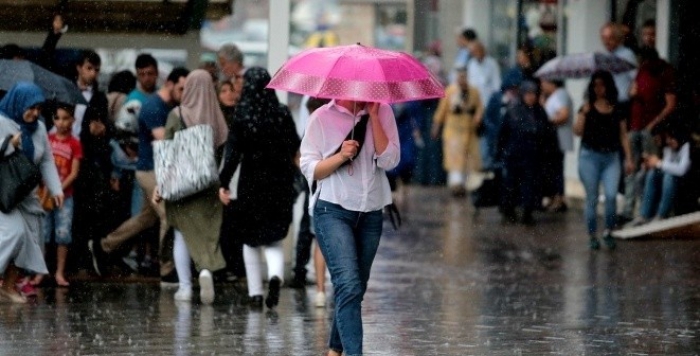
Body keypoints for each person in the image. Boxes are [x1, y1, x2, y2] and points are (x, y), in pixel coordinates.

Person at [300, 96, 399, 356]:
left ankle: (334, 350)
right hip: (332, 210)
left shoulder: (383, 111)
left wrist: (375, 118)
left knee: (355, 288)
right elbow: (310, 168)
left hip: (370, 213)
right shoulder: (321, 117)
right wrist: (341, 156)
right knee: (349, 284)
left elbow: (390, 161)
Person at [89, 68, 189, 282]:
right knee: (169, 216)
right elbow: (163, 141)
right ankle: (167, 268)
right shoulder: (154, 106)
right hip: (150, 170)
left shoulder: (168, 106)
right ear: (169, 84)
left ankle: (104, 245)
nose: (184, 92)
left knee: (145, 218)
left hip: (156, 169)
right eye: (181, 88)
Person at [219, 67, 300, 309]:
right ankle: (275, 275)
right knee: (273, 239)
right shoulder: (282, 113)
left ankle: (255, 294)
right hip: (279, 184)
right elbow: (294, 145)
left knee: (249, 240)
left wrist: (222, 183)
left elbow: (232, 155)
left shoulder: (243, 115)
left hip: (251, 186)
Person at [157, 70, 229, 304]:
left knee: (181, 233)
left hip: (182, 185)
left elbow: (166, 152)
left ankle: (186, 287)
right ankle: (206, 271)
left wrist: (161, 185)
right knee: (208, 235)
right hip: (209, 186)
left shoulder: (176, 115)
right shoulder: (218, 118)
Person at [0, 83, 63, 303]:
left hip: (25, 194)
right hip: (3, 194)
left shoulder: (39, 128)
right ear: (18, 103)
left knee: (30, 240)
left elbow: (46, 160)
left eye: (38, 108)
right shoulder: (1, 121)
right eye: (30, 107)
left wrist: (56, 189)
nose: (35, 113)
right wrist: (8, 145)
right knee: (14, 234)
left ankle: (8, 286)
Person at [574, 70, 634, 250]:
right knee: (591, 197)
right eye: (595, 85)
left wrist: (629, 158)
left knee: (610, 195)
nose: (599, 89)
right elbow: (577, 132)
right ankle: (592, 234)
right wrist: (583, 114)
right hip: (589, 156)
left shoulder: (617, 108)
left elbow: (623, 135)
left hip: (611, 157)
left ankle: (608, 230)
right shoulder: (587, 107)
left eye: (602, 84)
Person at [621, 46, 676, 222]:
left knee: (649, 169)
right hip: (635, 125)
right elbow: (632, 92)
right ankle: (630, 209)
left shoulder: (664, 72)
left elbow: (670, 103)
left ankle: (646, 210)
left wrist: (653, 124)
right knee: (632, 169)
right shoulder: (641, 72)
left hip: (650, 128)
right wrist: (632, 93)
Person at [289, 97, 331, 310]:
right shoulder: (334, 127)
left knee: (315, 237)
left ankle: (320, 289)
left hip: (316, 191)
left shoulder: (314, 128)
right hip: (326, 191)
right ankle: (322, 287)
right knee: (319, 238)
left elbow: (301, 158)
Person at [497, 81, 556, 225]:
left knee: (530, 185)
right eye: (528, 94)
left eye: (533, 94)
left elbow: (547, 133)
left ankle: (527, 212)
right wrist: (501, 152)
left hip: (533, 156)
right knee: (511, 185)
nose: (531, 97)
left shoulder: (540, 112)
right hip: (514, 155)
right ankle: (509, 210)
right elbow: (503, 134)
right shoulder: (513, 110)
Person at [43, 102, 82, 287]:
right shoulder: (47, 139)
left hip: (65, 196)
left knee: (63, 234)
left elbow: (74, 172)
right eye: (57, 118)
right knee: (43, 233)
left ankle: (59, 272)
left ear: (73, 120)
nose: (61, 122)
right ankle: (40, 272)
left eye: (66, 118)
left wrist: (58, 189)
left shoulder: (75, 143)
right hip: (45, 194)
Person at [431, 67, 483, 197]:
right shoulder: (450, 91)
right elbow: (441, 112)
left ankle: (466, 186)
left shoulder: (474, 92)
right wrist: (436, 127)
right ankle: (456, 186)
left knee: (469, 160)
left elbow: (480, 109)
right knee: (455, 160)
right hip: (453, 131)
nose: (462, 79)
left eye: (464, 77)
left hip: (469, 131)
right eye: (460, 76)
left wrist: (477, 119)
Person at [631, 126, 691, 225]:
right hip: (668, 182)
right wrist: (651, 164)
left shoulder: (687, 146)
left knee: (669, 176)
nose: (669, 141)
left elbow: (681, 170)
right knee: (652, 174)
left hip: (683, 182)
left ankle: (661, 215)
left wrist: (659, 163)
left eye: (671, 138)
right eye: (667, 138)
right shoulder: (667, 149)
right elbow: (665, 166)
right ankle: (644, 214)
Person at [541, 79, 574, 212]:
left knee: (556, 170)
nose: (542, 85)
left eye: (544, 82)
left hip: (558, 139)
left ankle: (559, 198)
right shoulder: (552, 97)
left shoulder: (561, 94)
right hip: (551, 141)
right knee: (552, 169)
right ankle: (553, 197)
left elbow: (563, 114)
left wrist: (548, 120)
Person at [115, 53, 159, 134]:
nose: (147, 78)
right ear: (137, 75)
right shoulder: (132, 99)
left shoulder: (163, 96)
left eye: (150, 73)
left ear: (157, 73)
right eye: (142, 74)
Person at [466, 41, 502, 107]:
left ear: (483, 51)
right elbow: (469, 81)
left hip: (488, 101)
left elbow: (497, 84)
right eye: (475, 52)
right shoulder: (471, 64)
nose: (477, 53)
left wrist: (494, 99)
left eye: (478, 51)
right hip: (474, 101)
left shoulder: (492, 63)